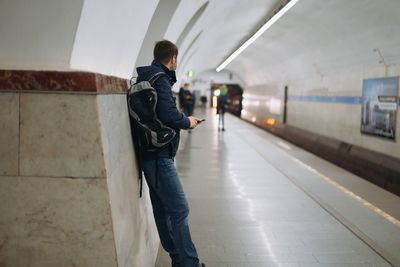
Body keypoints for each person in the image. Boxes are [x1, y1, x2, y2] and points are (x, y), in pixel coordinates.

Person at [136, 40, 206, 267]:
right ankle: (189, 263)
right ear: (173, 58)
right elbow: (168, 114)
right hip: (159, 156)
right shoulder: (161, 79)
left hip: (149, 153)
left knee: (162, 209)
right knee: (179, 209)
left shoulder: (145, 76)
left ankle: (178, 259)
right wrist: (188, 121)